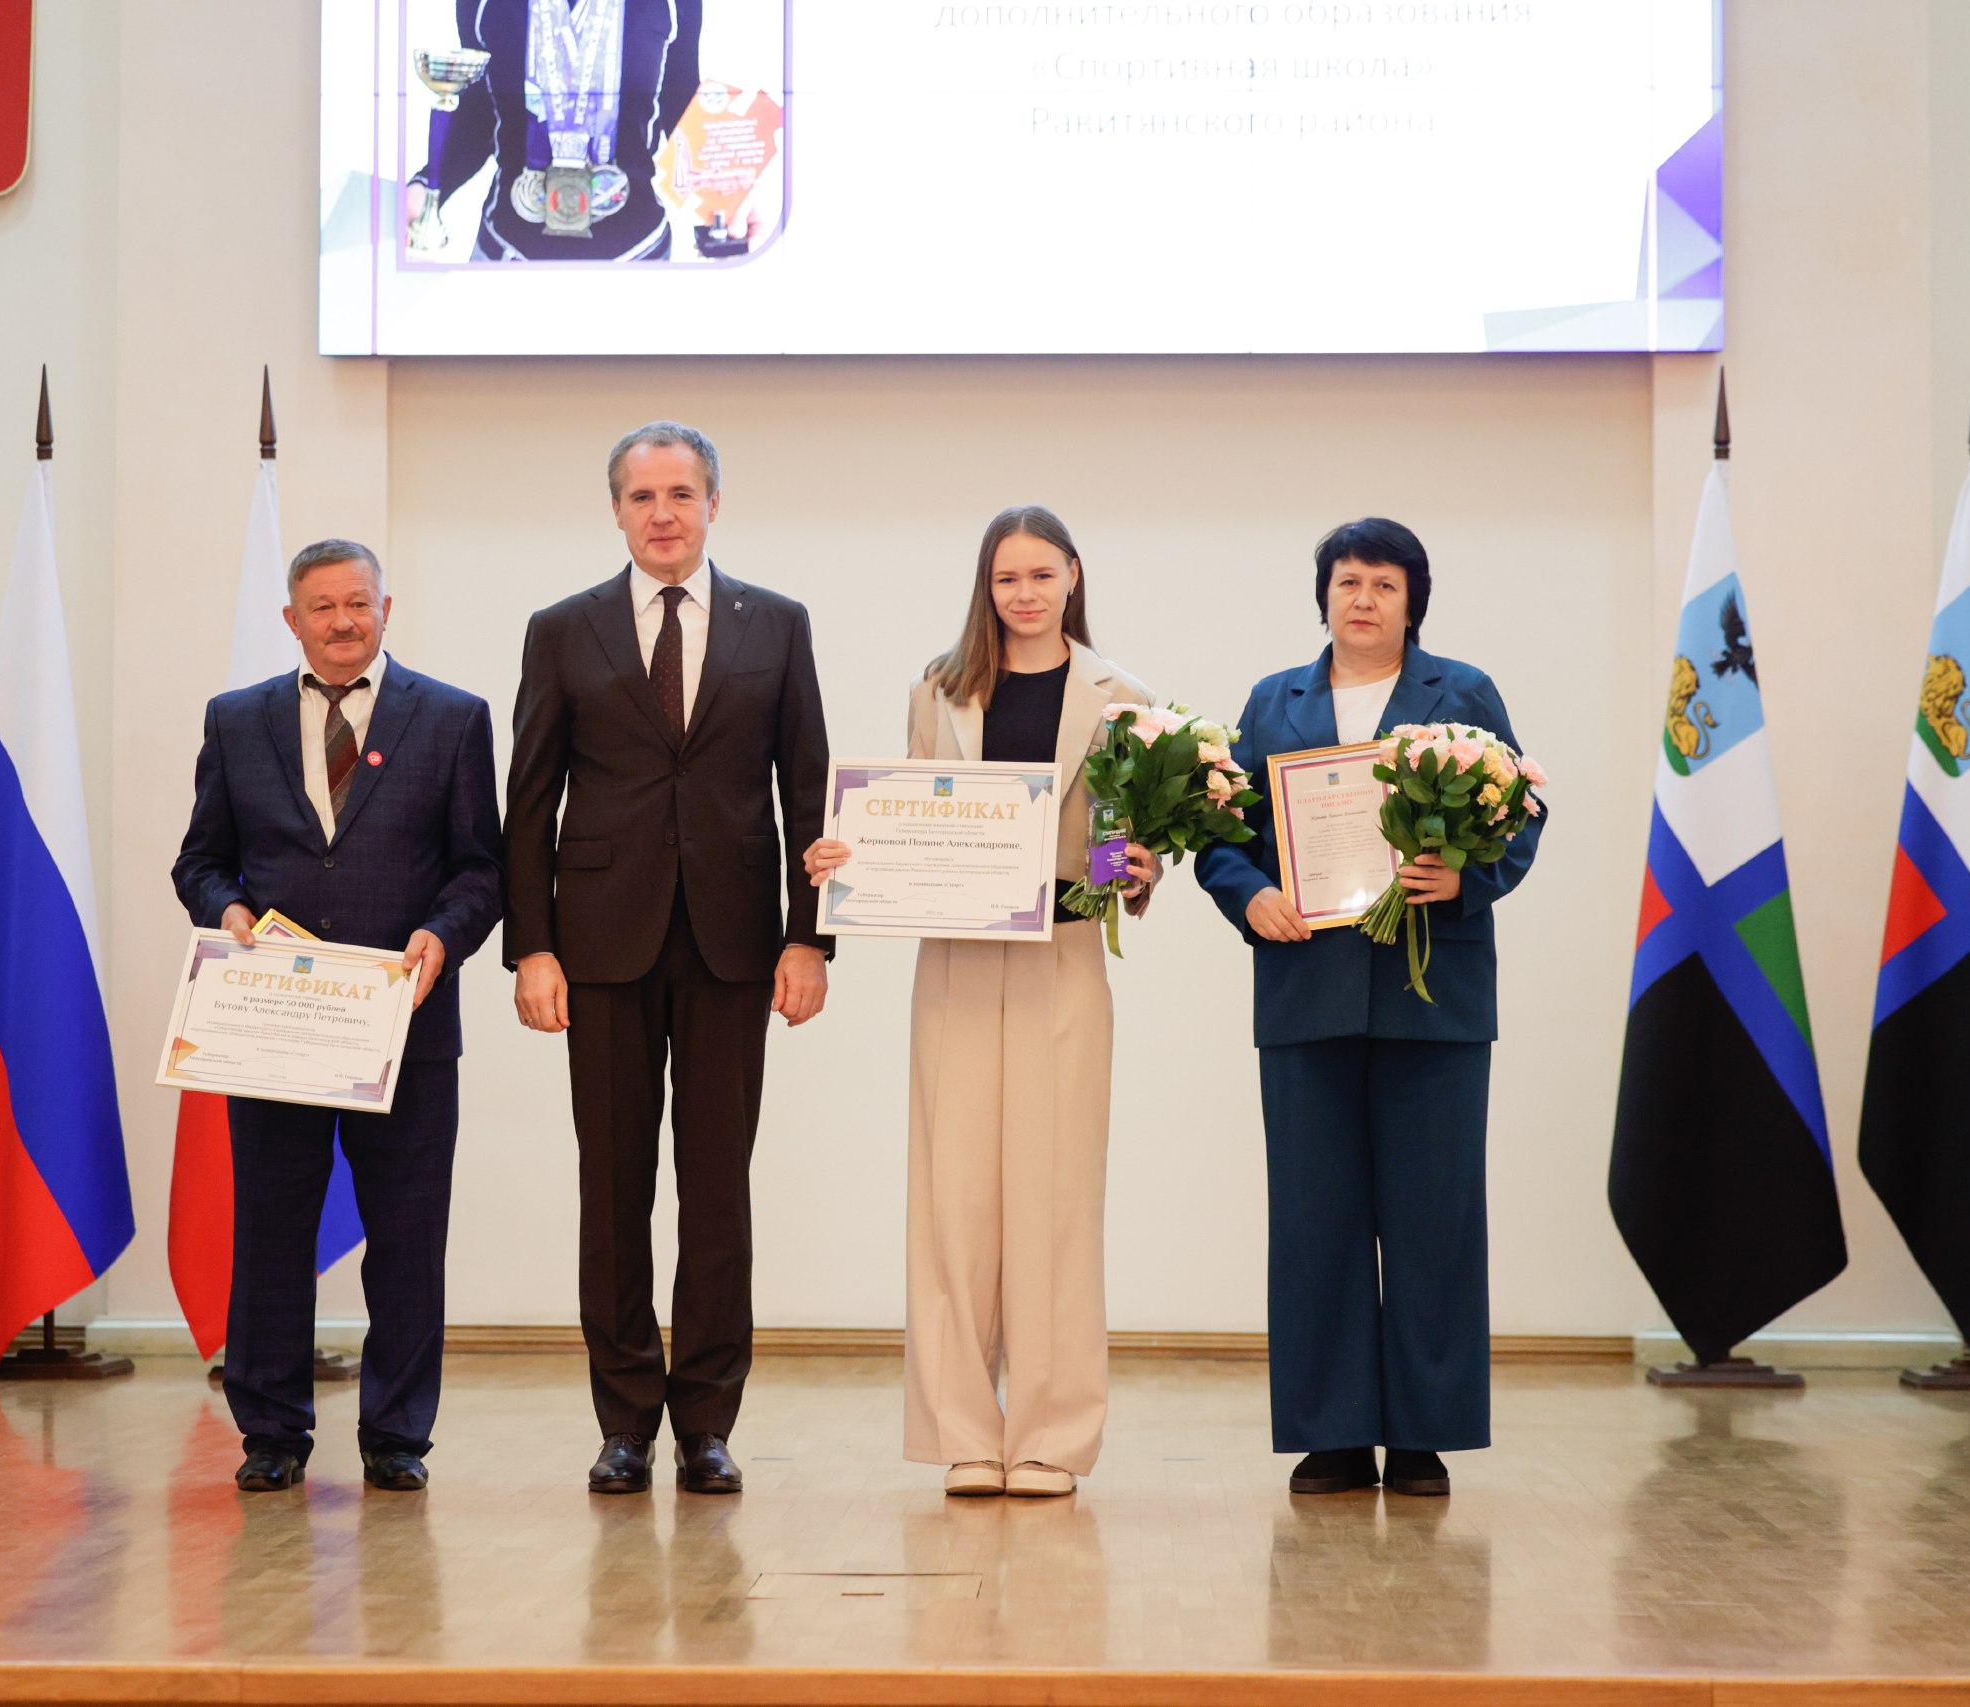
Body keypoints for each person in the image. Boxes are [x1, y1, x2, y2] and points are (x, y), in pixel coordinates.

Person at [804, 506, 1160, 1500]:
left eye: (1042, 574)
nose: (1025, 593)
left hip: (1063, 958)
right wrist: (848, 856)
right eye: (1007, 577)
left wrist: (1131, 868)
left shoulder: (1122, 697)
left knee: (1055, 1202)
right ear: (986, 586)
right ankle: (964, 1433)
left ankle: (1049, 1437)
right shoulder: (939, 687)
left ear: (1073, 577)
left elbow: (1116, 840)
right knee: (952, 1198)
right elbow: (912, 821)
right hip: (957, 962)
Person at [505, 420, 832, 1496]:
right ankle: (622, 1420)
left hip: (737, 946)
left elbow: (807, 790)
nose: (662, 514)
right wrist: (532, 948)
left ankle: (706, 1422)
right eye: (642, 497)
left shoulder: (776, 626)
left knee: (716, 1188)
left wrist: (808, 936)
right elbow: (528, 803)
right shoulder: (563, 630)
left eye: (681, 494)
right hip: (598, 946)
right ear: (615, 510)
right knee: (613, 1186)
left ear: (712, 504)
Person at [1193, 518, 1542, 1500]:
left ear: (1411, 600)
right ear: (1323, 595)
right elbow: (1222, 833)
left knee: (1434, 1221)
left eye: (1383, 584)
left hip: (1435, 998)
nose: (1363, 599)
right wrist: (1245, 892)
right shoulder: (1274, 703)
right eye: (1347, 581)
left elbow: (1519, 813)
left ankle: (1424, 1435)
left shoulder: (1460, 693)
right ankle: (1332, 1434)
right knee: (1316, 1221)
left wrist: (1462, 879)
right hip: (1306, 992)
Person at [171, 539, 507, 1493]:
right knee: (271, 1231)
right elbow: (199, 860)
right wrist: (225, 909)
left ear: (386, 608)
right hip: (275, 1025)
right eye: (323, 607)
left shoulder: (451, 719)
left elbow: (482, 867)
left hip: (404, 1024)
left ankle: (398, 1436)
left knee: (407, 1239)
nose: (343, 621)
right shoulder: (237, 722)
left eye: (359, 602)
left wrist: (444, 936)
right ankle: (270, 1432)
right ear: (292, 620)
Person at [408, 0, 702, 262]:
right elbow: (481, 109)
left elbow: (681, 98)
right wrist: (428, 187)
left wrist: (727, 196)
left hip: (638, 255)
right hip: (508, 254)